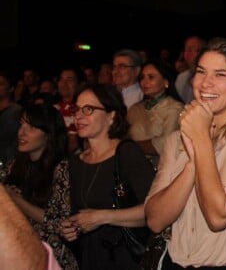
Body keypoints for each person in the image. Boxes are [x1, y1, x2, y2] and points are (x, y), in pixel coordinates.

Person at [145, 37, 226, 269]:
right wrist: (192, 164)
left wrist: (201, 141)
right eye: (201, 71)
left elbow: (218, 216)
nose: (205, 83)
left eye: (220, 74)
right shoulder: (177, 139)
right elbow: (155, 219)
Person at [59, 84, 155, 270]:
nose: (78, 116)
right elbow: (81, 214)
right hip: (89, 259)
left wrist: (102, 217)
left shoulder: (127, 153)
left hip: (126, 259)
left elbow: (153, 210)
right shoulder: (76, 161)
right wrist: (70, 227)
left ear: (111, 116)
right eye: (76, 109)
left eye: (88, 109)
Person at [4, 104, 79, 269]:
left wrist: (16, 200)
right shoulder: (14, 165)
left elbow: (59, 222)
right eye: (21, 125)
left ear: (48, 135)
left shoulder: (62, 168)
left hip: (50, 254)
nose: (21, 132)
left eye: (30, 127)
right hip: (20, 249)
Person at [127, 58, 184, 168]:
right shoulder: (134, 109)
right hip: (132, 166)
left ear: (166, 82)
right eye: (142, 77)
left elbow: (164, 144)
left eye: (151, 77)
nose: (144, 82)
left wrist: (131, 147)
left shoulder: (175, 108)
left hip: (161, 169)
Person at [0, 183, 63, 270]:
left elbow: (58, 222)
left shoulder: (61, 172)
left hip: (48, 248)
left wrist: (14, 199)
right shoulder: (11, 170)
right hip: (19, 242)